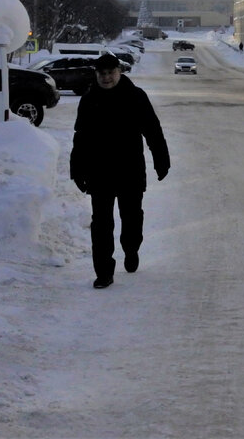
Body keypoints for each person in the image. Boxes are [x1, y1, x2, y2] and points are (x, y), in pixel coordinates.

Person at [70, 52, 170, 289]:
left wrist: (161, 160)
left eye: (110, 72)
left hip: (130, 170)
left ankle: (131, 248)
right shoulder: (89, 99)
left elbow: (152, 130)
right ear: (96, 75)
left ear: (119, 72)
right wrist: (77, 169)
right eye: (101, 73)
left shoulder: (135, 96)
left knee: (132, 218)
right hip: (99, 172)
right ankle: (104, 271)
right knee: (101, 223)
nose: (106, 78)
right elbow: (80, 137)